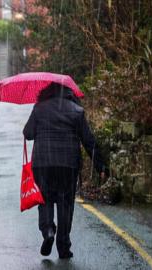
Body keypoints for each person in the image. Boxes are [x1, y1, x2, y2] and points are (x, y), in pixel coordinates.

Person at [23, 82, 108, 259]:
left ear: (46, 92)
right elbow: (88, 141)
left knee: (44, 200)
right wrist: (100, 166)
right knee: (65, 205)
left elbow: (28, 133)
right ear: (69, 93)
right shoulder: (77, 111)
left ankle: (48, 231)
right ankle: (64, 247)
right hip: (68, 165)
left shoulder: (40, 108)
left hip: (43, 163)